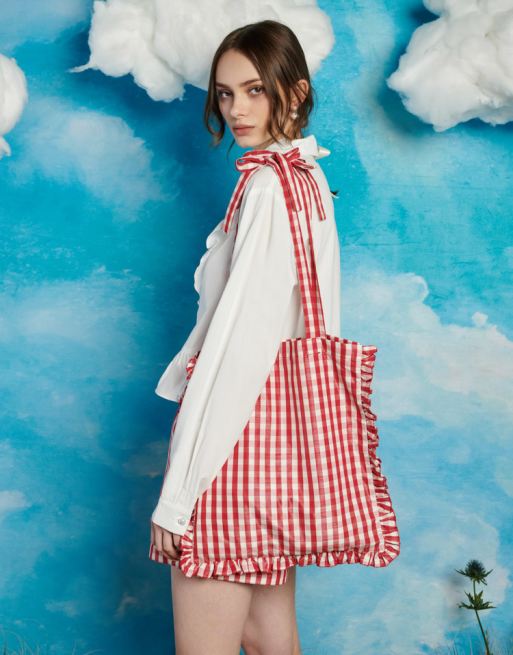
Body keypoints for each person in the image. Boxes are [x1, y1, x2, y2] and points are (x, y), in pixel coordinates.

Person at [149, 19, 341, 655]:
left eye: (255, 90)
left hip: (229, 456)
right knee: (267, 639)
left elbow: (238, 352)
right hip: (278, 454)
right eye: (226, 93)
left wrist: (179, 498)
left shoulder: (267, 186)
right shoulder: (306, 179)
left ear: (296, 90)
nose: (236, 109)